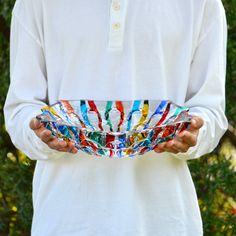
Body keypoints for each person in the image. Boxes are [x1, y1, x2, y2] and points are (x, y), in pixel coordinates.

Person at [4, 0, 228, 235]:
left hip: (165, 220)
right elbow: (21, 108)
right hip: (65, 219)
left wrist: (194, 133)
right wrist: (40, 134)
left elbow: (210, 110)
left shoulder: (202, 3)